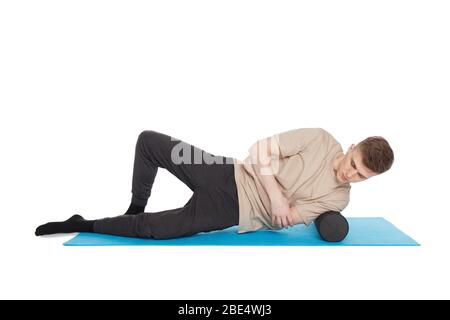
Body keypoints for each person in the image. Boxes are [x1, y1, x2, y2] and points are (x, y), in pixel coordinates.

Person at [35, 128, 394, 239]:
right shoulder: (319, 139)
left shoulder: (339, 199)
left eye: (361, 176)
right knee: (150, 142)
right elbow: (256, 151)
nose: (350, 175)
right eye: (353, 164)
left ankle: (82, 223)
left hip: (231, 209)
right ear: (350, 148)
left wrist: (272, 186)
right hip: (224, 171)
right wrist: (277, 192)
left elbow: (285, 217)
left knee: (155, 231)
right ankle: (135, 204)